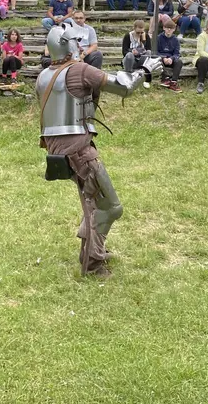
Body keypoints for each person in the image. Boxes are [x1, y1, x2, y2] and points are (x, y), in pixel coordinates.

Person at [36, 24, 162, 277]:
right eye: (76, 43)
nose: (81, 47)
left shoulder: (44, 76)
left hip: (60, 148)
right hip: (79, 150)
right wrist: (145, 70)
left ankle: (93, 250)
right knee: (107, 207)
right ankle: (93, 263)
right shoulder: (79, 69)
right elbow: (122, 86)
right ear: (67, 45)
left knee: (92, 202)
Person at [156, 19, 182, 91]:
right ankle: (165, 79)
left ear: (174, 29)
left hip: (170, 60)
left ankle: (173, 82)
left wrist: (171, 58)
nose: (169, 30)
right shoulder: (158, 38)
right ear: (164, 28)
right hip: (161, 59)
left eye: (171, 28)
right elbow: (155, 52)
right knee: (157, 59)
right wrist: (163, 57)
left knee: (179, 62)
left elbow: (176, 53)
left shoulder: (175, 40)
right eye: (167, 28)